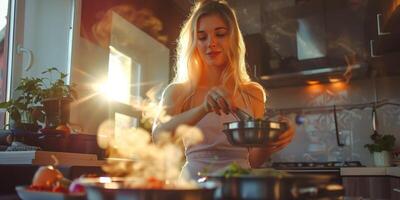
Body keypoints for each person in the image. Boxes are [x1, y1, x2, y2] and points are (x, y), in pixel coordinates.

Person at [152, 0, 294, 179]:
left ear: (233, 39)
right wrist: (203, 108)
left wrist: (272, 140)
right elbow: (158, 137)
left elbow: (252, 160)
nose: (210, 43)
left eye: (220, 34)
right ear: (195, 43)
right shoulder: (178, 91)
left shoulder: (253, 93)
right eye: (202, 37)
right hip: (194, 187)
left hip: (239, 185)